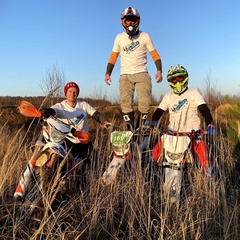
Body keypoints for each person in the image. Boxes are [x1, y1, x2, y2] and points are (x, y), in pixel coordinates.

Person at [104, 6, 163, 130]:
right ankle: (130, 128)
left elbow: (155, 55)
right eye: (127, 20)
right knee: (125, 103)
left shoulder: (144, 36)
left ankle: (140, 128)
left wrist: (159, 70)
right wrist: (108, 73)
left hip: (142, 73)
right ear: (123, 22)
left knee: (145, 103)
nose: (130, 23)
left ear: (138, 21)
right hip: (125, 75)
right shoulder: (119, 38)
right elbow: (113, 57)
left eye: (133, 20)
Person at [151, 64, 216, 172]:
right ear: (170, 81)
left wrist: (210, 124)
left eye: (180, 78)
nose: (177, 82)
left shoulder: (193, 93)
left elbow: (204, 110)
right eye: (174, 79)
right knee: (154, 155)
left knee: (205, 163)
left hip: (193, 133)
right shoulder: (168, 96)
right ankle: (152, 176)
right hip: (172, 133)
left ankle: (213, 184)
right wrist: (153, 121)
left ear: (185, 78)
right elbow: (158, 112)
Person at [42, 81, 111, 161]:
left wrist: (104, 121)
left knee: (94, 162)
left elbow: (96, 115)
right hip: (68, 142)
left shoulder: (83, 105)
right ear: (66, 93)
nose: (72, 94)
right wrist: (44, 111)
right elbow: (51, 111)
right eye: (70, 91)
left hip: (84, 140)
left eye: (75, 92)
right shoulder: (60, 106)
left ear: (77, 94)